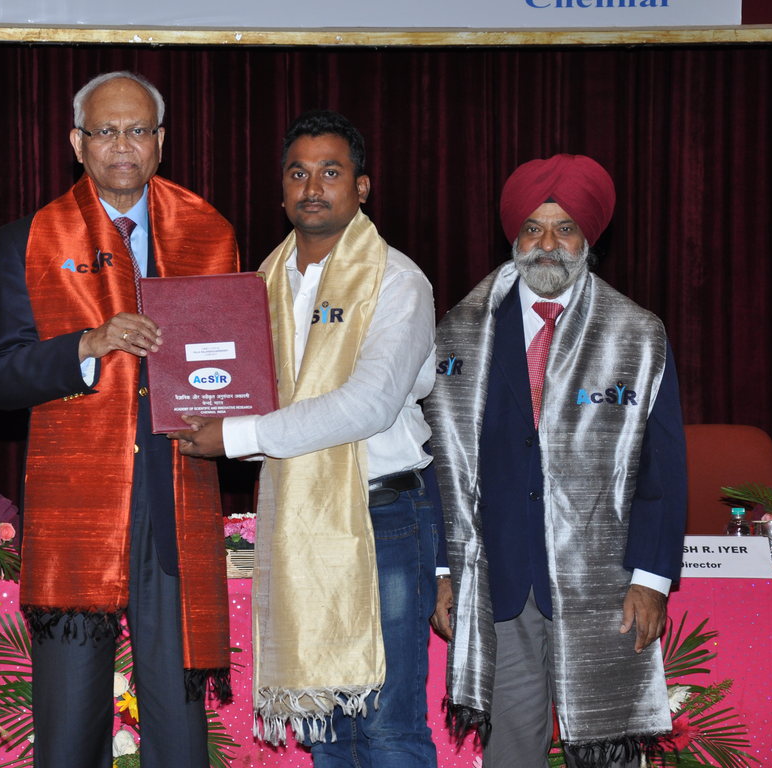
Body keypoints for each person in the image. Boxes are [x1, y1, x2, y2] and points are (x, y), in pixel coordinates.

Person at [0, 71, 238, 768]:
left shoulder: (208, 231)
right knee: (68, 729)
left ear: (161, 141)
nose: (123, 145)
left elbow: (233, 363)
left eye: (138, 130)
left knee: (179, 728)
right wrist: (86, 346)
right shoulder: (32, 237)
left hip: (175, 495)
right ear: (77, 143)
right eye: (106, 131)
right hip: (78, 507)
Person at [173, 110, 441, 767]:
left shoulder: (396, 280)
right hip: (297, 521)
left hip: (382, 518)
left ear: (362, 187)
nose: (313, 187)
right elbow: (240, 392)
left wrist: (235, 434)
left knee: (386, 726)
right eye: (298, 173)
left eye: (331, 172)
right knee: (327, 729)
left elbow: (369, 405)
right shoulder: (258, 288)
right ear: (282, 189)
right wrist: (198, 408)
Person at [425, 154, 687, 768]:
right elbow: (437, 463)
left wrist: (651, 581)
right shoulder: (460, 332)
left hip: (606, 585)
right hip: (498, 581)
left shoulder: (636, 334)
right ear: (514, 238)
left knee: (605, 751)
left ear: (587, 238)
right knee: (511, 752)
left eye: (565, 228)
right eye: (533, 229)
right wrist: (443, 569)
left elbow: (662, 470)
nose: (547, 245)